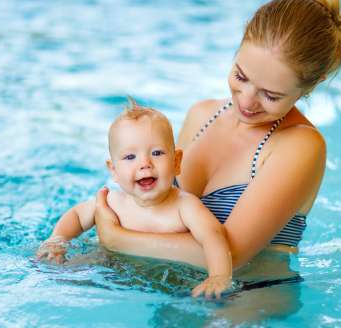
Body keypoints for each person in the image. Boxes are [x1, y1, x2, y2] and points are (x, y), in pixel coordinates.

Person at [93, 0, 341, 279]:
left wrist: (117, 239)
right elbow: (161, 209)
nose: (245, 101)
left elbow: (233, 255)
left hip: (248, 298)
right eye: (241, 76)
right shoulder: (201, 114)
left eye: (271, 95)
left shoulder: (300, 146)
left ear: (313, 84)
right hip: (171, 283)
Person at [36, 99, 233, 298]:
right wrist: (57, 240)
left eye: (156, 153)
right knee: (60, 273)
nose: (144, 164)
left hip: (167, 283)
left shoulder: (185, 206)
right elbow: (77, 216)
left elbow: (213, 237)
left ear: (176, 162)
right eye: (130, 157)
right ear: (113, 170)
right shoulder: (113, 202)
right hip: (107, 268)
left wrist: (219, 276)